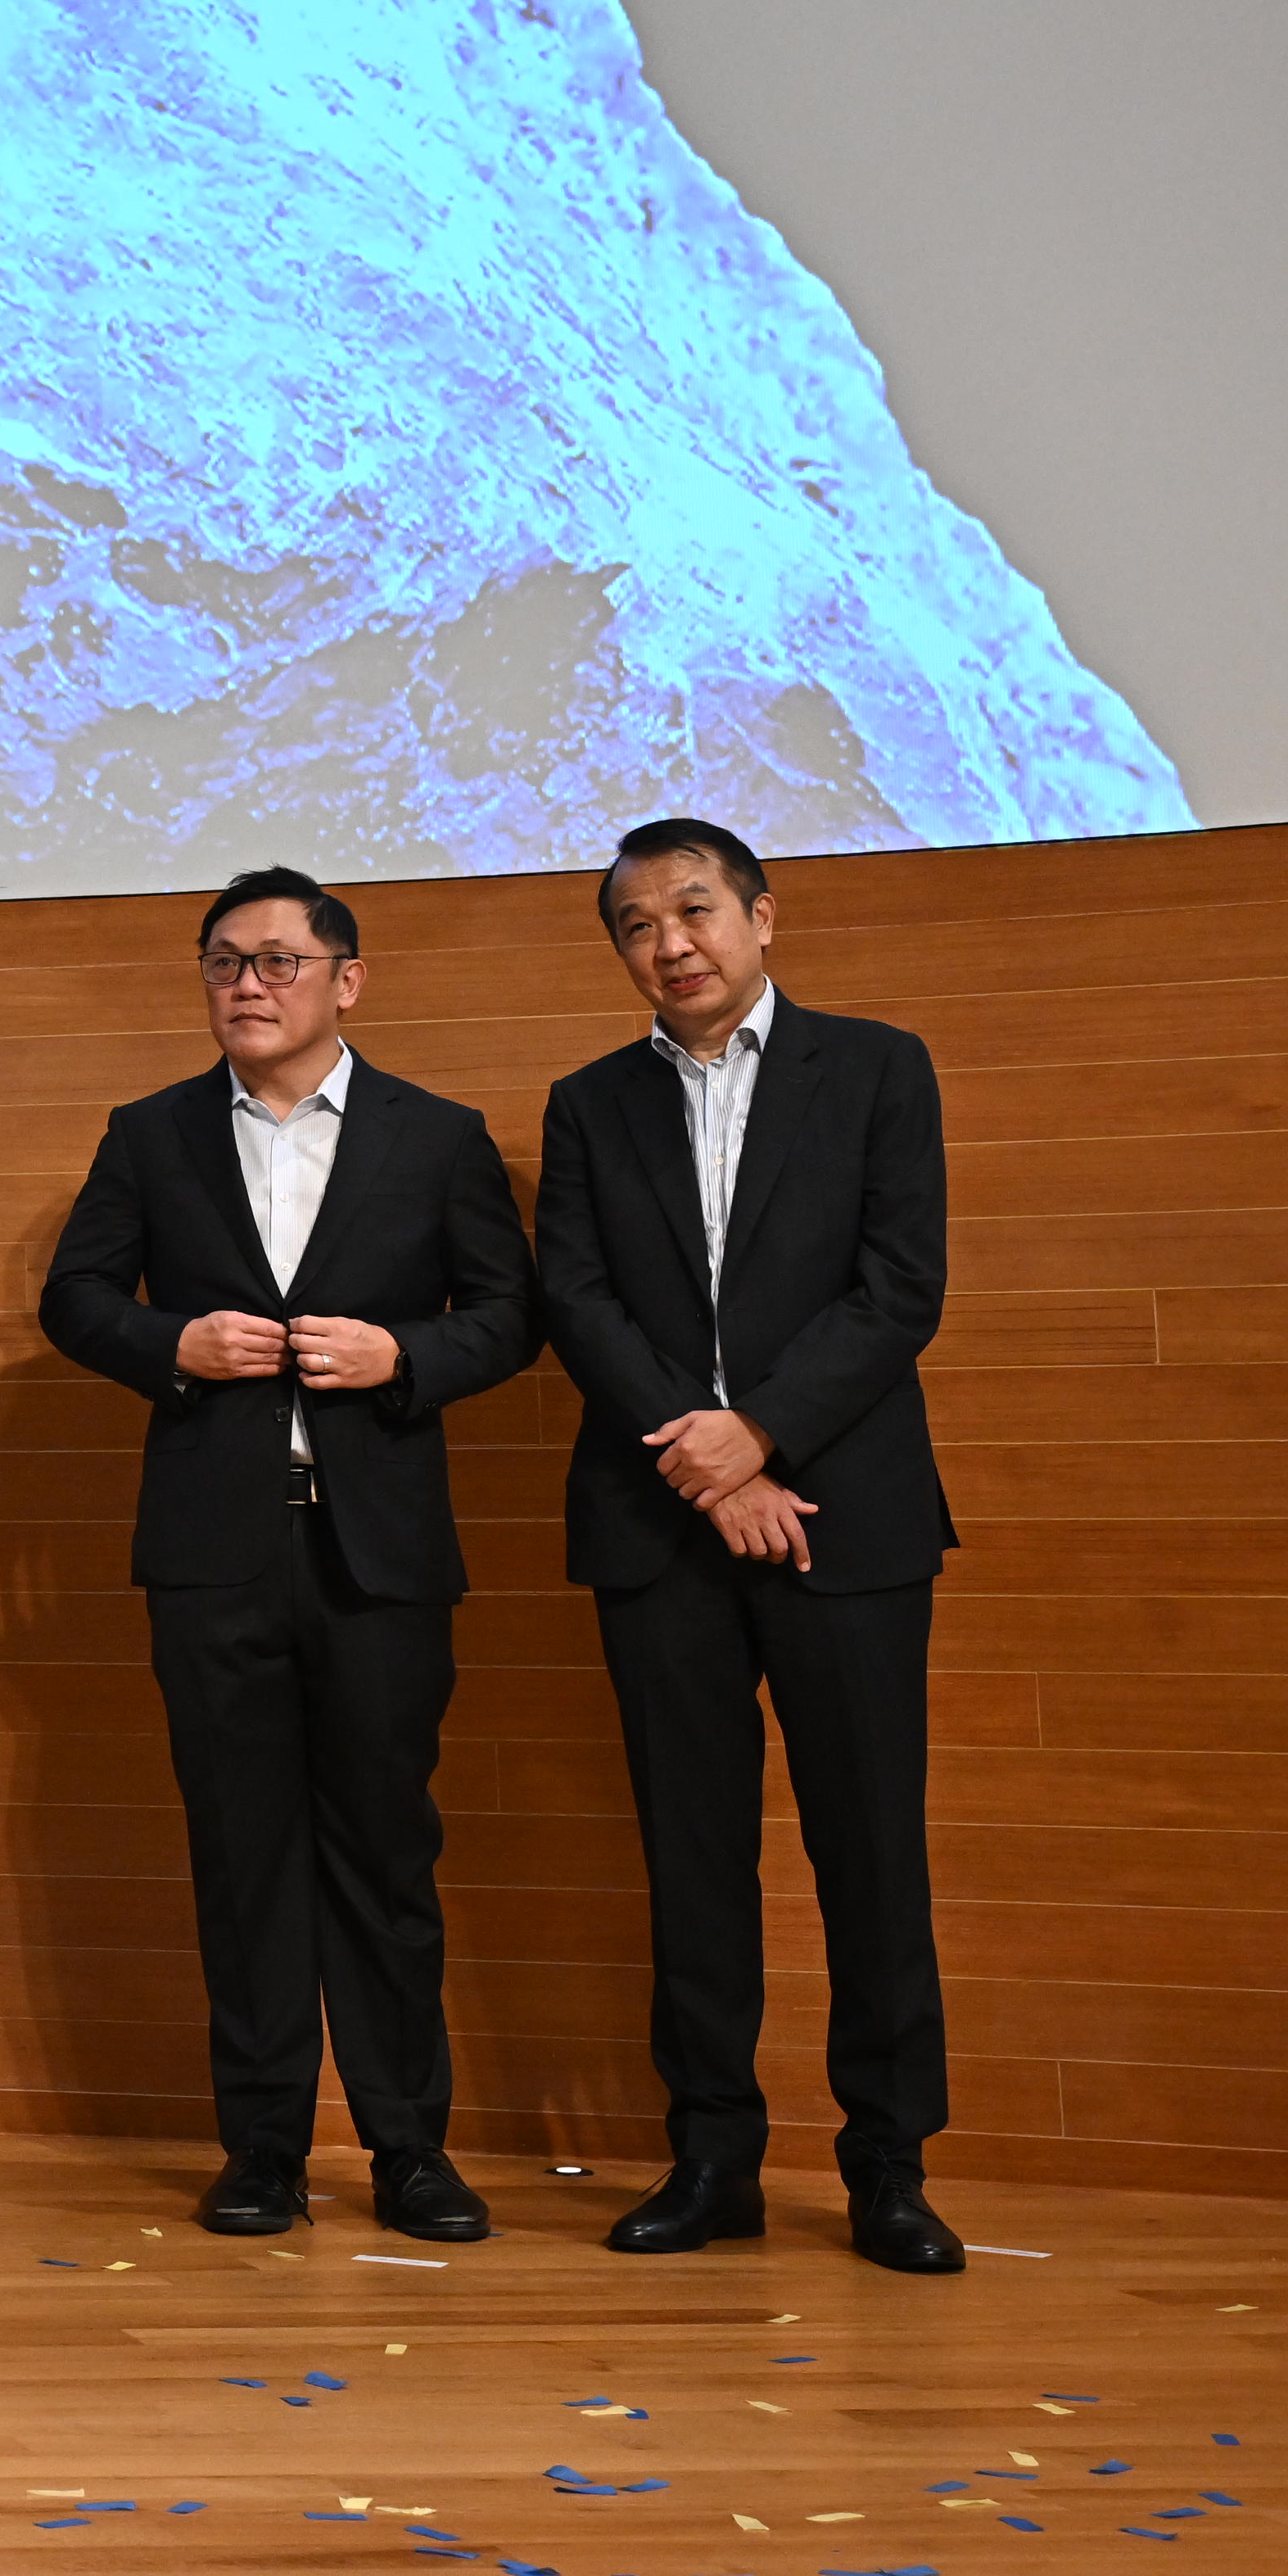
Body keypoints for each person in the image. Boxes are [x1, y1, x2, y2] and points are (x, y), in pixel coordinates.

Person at [38, 868, 537, 2243]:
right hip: (215, 1552)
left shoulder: (439, 1136)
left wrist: (402, 1356)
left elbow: (509, 1313)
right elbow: (76, 1298)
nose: (246, 985)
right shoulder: (152, 1133)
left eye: (276, 961)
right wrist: (175, 1346)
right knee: (241, 1852)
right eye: (223, 962)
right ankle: (262, 2148)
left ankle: (408, 2149)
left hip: (381, 1554)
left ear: (347, 982)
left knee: (384, 1849)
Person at [537, 817, 965, 2274]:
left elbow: (900, 1287)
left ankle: (889, 2167)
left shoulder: (879, 1069)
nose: (672, 944)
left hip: (847, 1517)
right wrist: (710, 1466)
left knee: (872, 1850)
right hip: (664, 1525)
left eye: (697, 910)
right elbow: (579, 1302)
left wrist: (763, 1435)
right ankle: (713, 2156)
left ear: (762, 917)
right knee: (693, 1854)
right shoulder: (588, 1105)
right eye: (638, 925)